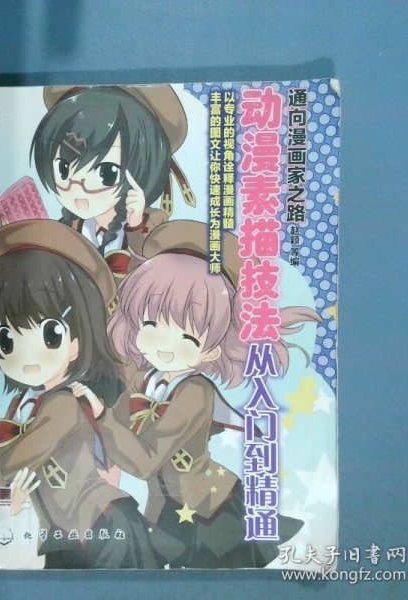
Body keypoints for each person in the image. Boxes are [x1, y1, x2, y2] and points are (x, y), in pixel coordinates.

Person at [82, 221, 320, 568]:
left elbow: (145, 460)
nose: (164, 346)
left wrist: (103, 418)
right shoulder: (145, 382)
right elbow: (110, 436)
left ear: (213, 350)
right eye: (150, 325)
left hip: (210, 512)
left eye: (188, 338)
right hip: (167, 508)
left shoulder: (195, 392)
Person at [0, 219, 182, 569]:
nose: (28, 358)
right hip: (64, 536)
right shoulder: (20, 405)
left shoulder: (64, 402)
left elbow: (9, 462)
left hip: (105, 527)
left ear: (76, 340)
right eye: (7, 340)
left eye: (50, 335)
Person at [30, 85, 195, 278]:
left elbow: (154, 281)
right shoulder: (66, 228)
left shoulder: (152, 229)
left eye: (106, 173)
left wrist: (135, 227)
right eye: (63, 169)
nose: (77, 189)